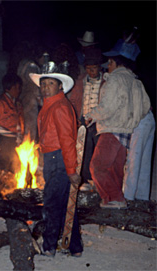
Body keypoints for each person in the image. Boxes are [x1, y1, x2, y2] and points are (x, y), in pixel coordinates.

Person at [84, 41, 151, 209]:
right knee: (115, 170)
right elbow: (145, 107)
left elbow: (107, 108)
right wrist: (130, 120)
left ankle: (116, 198)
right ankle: (112, 202)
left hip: (111, 129)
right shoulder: (136, 82)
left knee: (97, 167)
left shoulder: (115, 79)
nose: (107, 66)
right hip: (126, 132)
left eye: (110, 63)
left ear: (114, 62)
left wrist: (89, 116)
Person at [29, 72, 83, 257]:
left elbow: (67, 140)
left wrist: (71, 169)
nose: (45, 87)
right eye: (43, 84)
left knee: (52, 203)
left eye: (50, 83)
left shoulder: (59, 107)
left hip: (58, 159)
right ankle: (75, 247)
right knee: (67, 203)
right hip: (54, 157)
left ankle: (49, 246)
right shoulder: (51, 105)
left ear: (60, 86)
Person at [72, 48, 105, 192]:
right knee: (84, 151)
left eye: (94, 68)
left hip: (99, 122)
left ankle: (97, 180)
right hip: (84, 121)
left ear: (100, 67)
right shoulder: (81, 82)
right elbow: (74, 101)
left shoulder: (105, 81)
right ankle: (85, 180)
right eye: (89, 69)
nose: (92, 72)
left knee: (99, 152)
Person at [0, 73, 25, 181]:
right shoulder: (1, 103)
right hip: (4, 141)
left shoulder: (16, 103)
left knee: (12, 167)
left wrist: (20, 136)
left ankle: (9, 191)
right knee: (2, 167)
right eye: (18, 88)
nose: (19, 91)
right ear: (11, 87)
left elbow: (20, 121)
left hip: (14, 140)